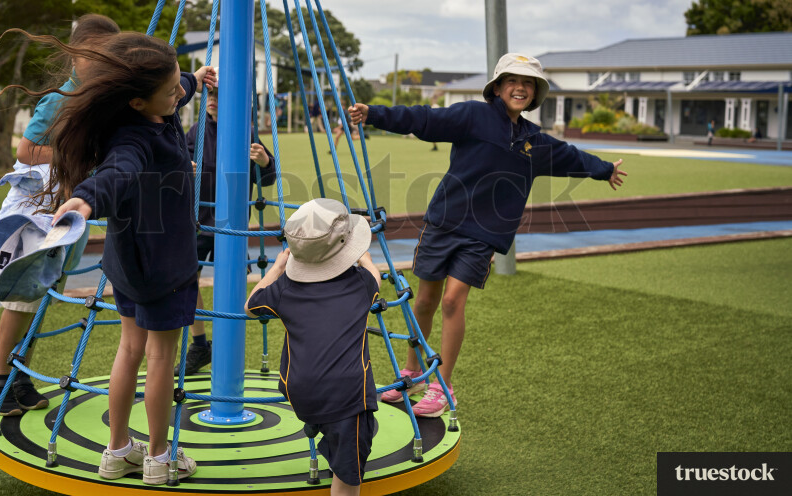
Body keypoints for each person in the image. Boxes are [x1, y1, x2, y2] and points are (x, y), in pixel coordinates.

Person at [348, 53, 627, 417]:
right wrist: (375, 114)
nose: (520, 88)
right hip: (444, 222)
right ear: (497, 87)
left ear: (535, 94)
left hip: (484, 234)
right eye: (513, 81)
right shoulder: (473, 116)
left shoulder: (533, 140)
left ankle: (442, 385)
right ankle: (413, 371)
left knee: (452, 301)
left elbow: (570, 156)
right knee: (425, 301)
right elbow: (425, 119)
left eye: (528, 84)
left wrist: (604, 169)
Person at [38, 31, 216, 484]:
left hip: (127, 265)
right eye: (171, 89)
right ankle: (159, 457)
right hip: (166, 268)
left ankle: (116, 451)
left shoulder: (155, 107)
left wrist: (193, 78)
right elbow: (117, 171)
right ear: (137, 102)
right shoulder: (133, 140)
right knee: (159, 359)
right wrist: (84, 200)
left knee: (130, 350)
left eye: (179, 83)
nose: (180, 93)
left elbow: (177, 90)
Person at [0, 14, 120, 420]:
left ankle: (17, 374)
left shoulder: (100, 97)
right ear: (74, 57)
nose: (100, 63)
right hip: (37, 207)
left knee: (46, 290)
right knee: (25, 292)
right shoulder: (62, 98)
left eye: (108, 56)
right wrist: (79, 158)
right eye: (92, 56)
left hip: (68, 207)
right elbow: (26, 151)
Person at [245, 198, 381, 496]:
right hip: (349, 398)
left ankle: (327, 439)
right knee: (350, 474)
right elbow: (375, 277)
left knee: (337, 432)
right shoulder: (361, 284)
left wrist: (278, 268)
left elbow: (251, 303)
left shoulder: (284, 289)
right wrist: (365, 258)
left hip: (300, 394)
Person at [175, 84, 276, 376]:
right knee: (186, 282)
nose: (213, 102)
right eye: (209, 96)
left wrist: (265, 161)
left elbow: (268, 177)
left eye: (220, 96)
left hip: (231, 225)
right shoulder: (196, 130)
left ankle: (227, 345)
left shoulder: (247, 132)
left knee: (230, 284)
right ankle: (200, 344)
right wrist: (185, 166)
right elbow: (181, 160)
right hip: (198, 221)